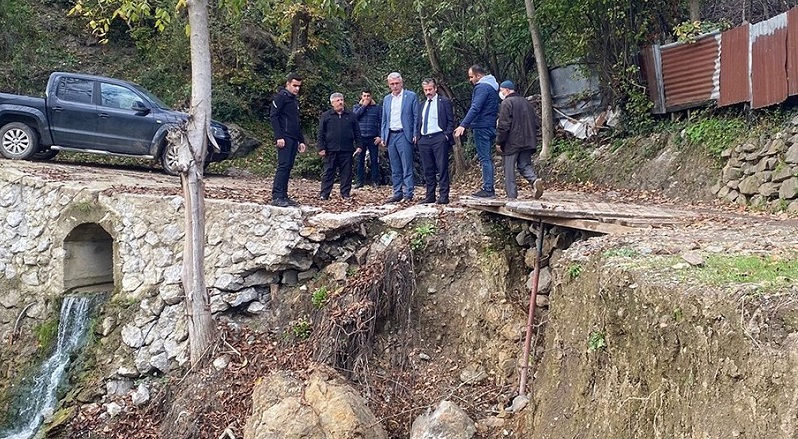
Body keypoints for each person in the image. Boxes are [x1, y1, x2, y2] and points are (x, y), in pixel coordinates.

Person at [453, 64, 500, 198]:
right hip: (490, 126)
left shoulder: (482, 87)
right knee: (488, 158)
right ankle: (488, 187)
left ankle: (488, 189)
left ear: (479, 76)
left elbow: (475, 107)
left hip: (482, 127)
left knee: (485, 158)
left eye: (471, 77)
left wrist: (463, 125)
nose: (470, 80)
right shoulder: (493, 87)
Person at [495, 80, 544, 200]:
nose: (500, 93)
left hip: (512, 142)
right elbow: (536, 123)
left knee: (509, 169)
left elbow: (503, 125)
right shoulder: (527, 103)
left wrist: (499, 142)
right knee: (524, 165)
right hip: (528, 140)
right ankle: (534, 181)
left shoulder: (507, 103)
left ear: (506, 90)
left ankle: (511, 196)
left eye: (501, 91)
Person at [379, 72, 418, 203]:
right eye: (392, 84)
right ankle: (397, 192)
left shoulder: (410, 96)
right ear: (388, 85)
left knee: (406, 164)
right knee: (395, 166)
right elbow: (384, 119)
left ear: (401, 83)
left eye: (397, 83)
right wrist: (383, 135)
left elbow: (416, 116)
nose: (395, 86)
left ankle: (408, 192)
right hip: (391, 135)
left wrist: (415, 133)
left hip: (404, 134)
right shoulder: (387, 99)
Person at [269, 73, 307, 208]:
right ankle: (277, 195)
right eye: (294, 86)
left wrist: (301, 140)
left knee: (289, 166)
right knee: (283, 165)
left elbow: (296, 122)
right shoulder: (281, 98)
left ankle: (284, 195)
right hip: (284, 137)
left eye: (299, 86)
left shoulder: (294, 101)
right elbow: (273, 117)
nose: (297, 89)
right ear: (288, 84)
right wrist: (279, 136)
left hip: (293, 138)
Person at [415, 78, 455, 204]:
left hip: (439, 137)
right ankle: (430, 195)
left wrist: (446, 135)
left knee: (442, 167)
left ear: (435, 88)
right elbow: (418, 122)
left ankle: (444, 195)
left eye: (430, 89)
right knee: (428, 169)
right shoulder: (422, 105)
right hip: (424, 139)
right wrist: (418, 136)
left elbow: (450, 120)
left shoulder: (443, 102)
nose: (428, 92)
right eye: (426, 90)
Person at [317, 93, 362, 200]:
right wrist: (321, 147)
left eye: (341, 100)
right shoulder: (326, 116)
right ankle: (324, 194)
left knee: (346, 173)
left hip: (347, 149)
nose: (340, 102)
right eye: (337, 100)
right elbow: (320, 133)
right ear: (332, 103)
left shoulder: (351, 115)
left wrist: (359, 145)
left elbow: (357, 132)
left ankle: (345, 193)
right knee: (328, 172)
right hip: (330, 149)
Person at [352, 88, 382, 188]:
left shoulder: (377, 108)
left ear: (371, 96)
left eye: (368, 96)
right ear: (361, 96)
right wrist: (364, 106)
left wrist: (380, 136)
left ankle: (375, 181)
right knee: (360, 160)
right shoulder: (356, 107)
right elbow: (355, 118)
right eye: (364, 96)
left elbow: (381, 122)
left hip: (373, 137)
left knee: (374, 160)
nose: (366, 98)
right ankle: (360, 181)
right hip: (361, 137)